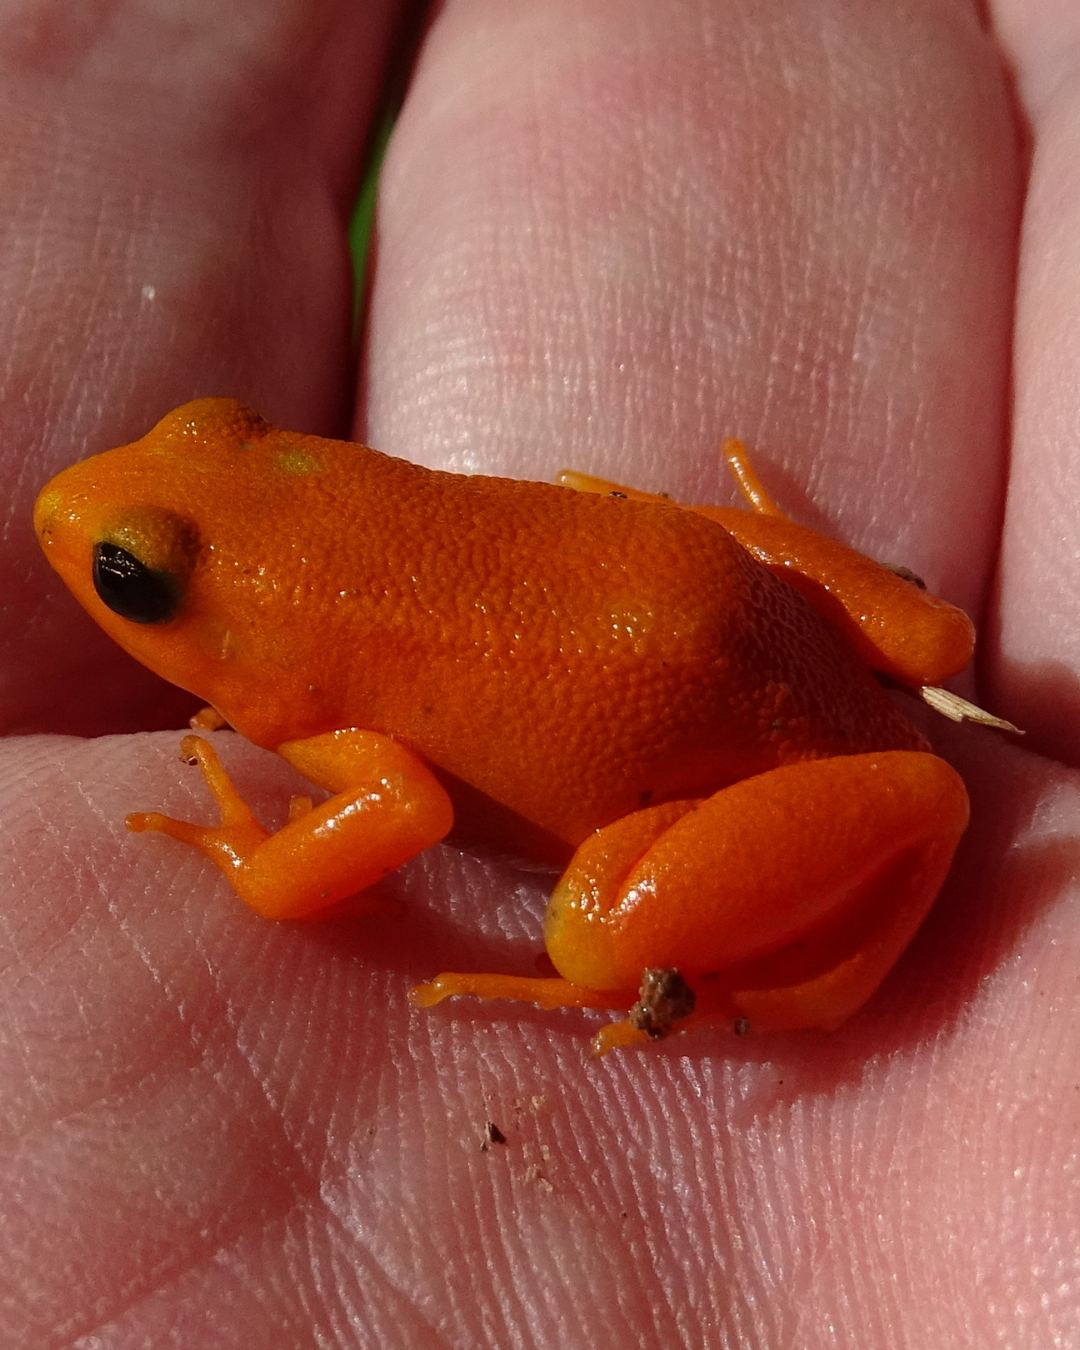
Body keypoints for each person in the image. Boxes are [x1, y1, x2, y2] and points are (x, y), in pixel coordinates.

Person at [1, 1, 1072, 1344]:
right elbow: (921, 636)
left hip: (740, 732)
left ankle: (766, 948)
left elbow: (407, 808)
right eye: (141, 571)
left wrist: (261, 867)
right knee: (817, 623)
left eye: (134, 582)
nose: (76, 528)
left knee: (588, 926)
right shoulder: (326, 553)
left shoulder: (319, 701)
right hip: (718, 613)